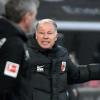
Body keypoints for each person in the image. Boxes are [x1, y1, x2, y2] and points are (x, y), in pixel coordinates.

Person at [27, 18, 100, 100]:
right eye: (41, 33)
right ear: (36, 35)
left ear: (56, 36)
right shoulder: (25, 53)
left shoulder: (62, 53)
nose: (45, 37)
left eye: (49, 33)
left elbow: (75, 74)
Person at [0, 0, 39, 100]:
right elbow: (6, 83)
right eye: (34, 15)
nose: (35, 20)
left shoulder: (6, 35)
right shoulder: (15, 44)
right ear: (27, 17)